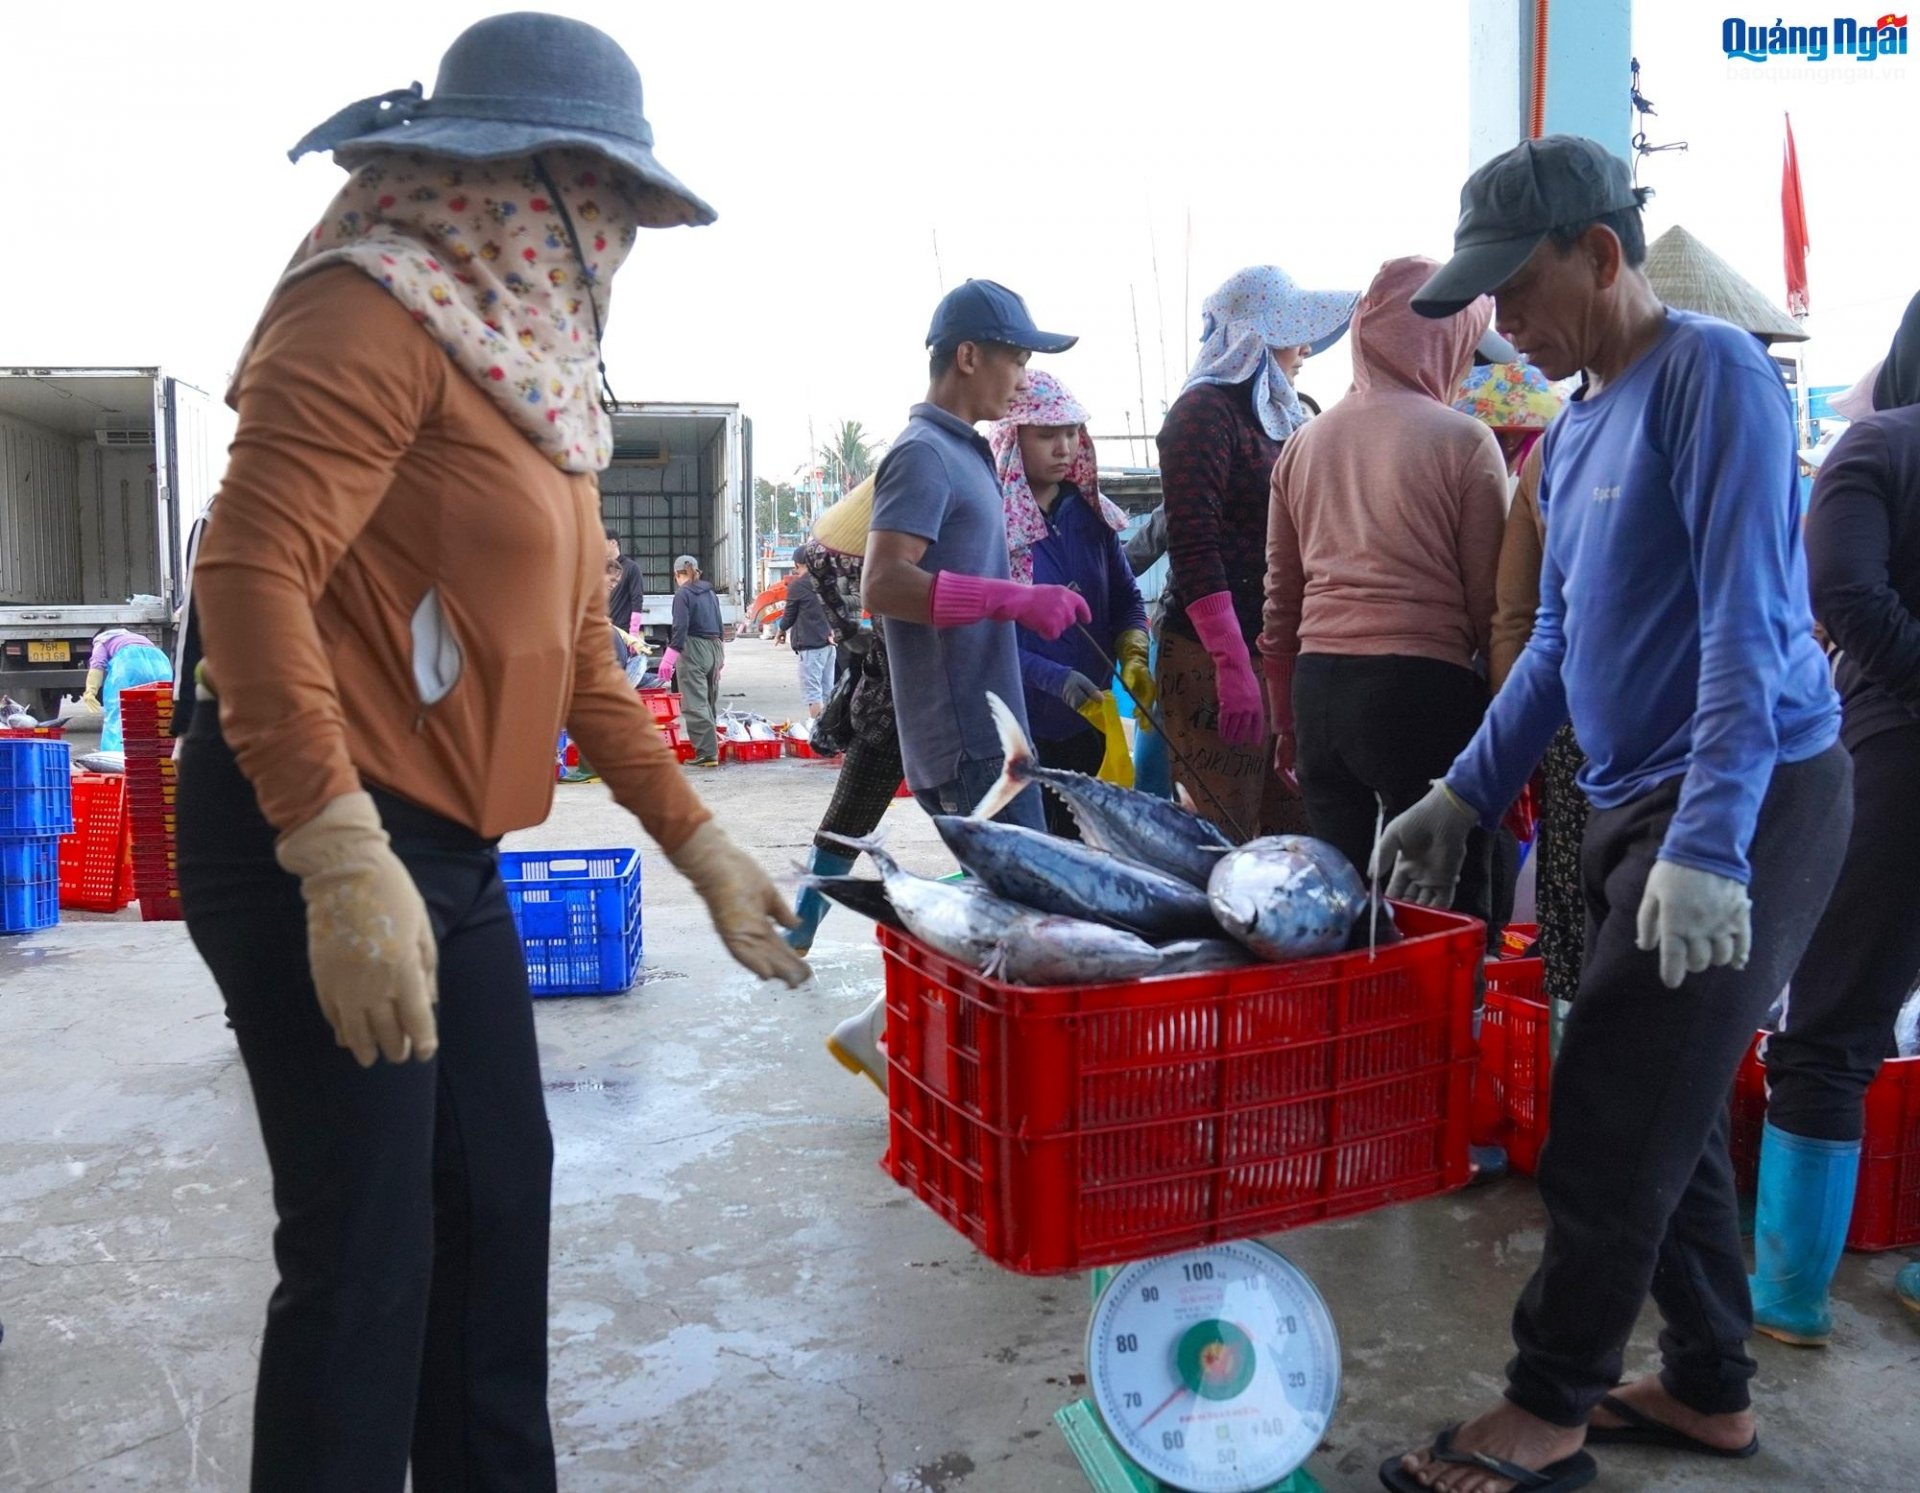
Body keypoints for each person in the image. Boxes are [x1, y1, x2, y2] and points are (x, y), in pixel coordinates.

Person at [171, 17, 807, 1491]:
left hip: (448, 858)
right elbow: (251, 573)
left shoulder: (538, 380)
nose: (614, 243)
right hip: (309, 830)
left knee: (493, 1211)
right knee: (368, 1259)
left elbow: (582, 659)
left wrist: (700, 843)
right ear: (524, 181)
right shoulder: (372, 309)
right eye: (603, 203)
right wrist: (333, 853)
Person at [1376, 135, 1848, 1493]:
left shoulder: (1718, 382)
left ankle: (1549, 1405)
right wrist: (1462, 790)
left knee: (1611, 1103)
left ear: (1600, 252)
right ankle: (1707, 1384)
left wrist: (1707, 846)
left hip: (1754, 796)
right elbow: (1558, 648)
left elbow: (1752, 633)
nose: (1503, 325)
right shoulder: (1576, 426)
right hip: (1637, 796)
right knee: (1673, 1105)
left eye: (1516, 291)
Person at [1752, 290, 1920, 1340]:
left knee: (1834, 1023)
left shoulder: (1878, 447)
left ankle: (1788, 1296)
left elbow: (1843, 593)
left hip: (1899, 756)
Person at [1261, 256, 1506, 932]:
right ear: (1444, 338)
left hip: (1319, 692)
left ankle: (1351, 1033)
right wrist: (1507, 734)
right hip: (1420, 692)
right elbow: (1494, 608)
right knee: (1440, 905)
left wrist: (1285, 719)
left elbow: (1281, 602)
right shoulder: (1465, 441)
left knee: (1340, 913)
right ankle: (1450, 1031)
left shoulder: (1303, 444)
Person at [861, 278, 1088, 828]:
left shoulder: (965, 451)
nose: (1023, 377)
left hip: (993, 735)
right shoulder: (924, 454)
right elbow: (883, 583)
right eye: (1016, 358)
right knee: (1023, 912)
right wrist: (1012, 599)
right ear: (968, 356)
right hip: (969, 745)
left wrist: (1024, 596)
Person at [1157, 266, 1357, 840]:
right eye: (1293, 333)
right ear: (1255, 339)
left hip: (1271, 649)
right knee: (1224, 833)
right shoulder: (1203, 414)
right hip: (1211, 654)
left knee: (1289, 832)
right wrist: (1230, 662)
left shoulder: (1278, 416)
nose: (1303, 349)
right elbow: (1194, 545)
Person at [991, 369, 1150, 838]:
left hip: (1090, 725)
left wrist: (1135, 650)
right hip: (1019, 732)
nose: (1064, 447)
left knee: (1089, 851)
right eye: (1046, 436)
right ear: (1013, 440)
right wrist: (1054, 679)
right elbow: (985, 638)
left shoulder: (1091, 515)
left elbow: (1126, 598)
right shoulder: (989, 528)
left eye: (1071, 433)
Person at [659, 553, 725, 767]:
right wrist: (720, 656)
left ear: (676, 575)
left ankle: (706, 754)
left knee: (694, 702)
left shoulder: (683, 595)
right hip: (714, 646)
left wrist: (669, 657)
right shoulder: (710, 593)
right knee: (708, 700)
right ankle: (711, 747)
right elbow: (719, 623)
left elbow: (680, 627)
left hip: (693, 648)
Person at [81, 626, 173, 753]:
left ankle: (114, 753)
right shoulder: (137, 637)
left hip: (129, 662)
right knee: (158, 709)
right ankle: (162, 750)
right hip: (160, 663)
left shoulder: (101, 640)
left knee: (119, 709)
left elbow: (97, 664)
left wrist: (90, 691)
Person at [777, 547, 836, 720]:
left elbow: (789, 614)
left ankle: (818, 736)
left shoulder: (799, 585)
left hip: (811, 647)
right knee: (828, 692)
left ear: (796, 564)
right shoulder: (827, 581)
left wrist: (781, 630)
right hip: (829, 645)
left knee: (813, 694)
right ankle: (829, 734)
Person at [605, 526, 645, 636]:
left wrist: (633, 632)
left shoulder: (632, 568)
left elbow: (637, 600)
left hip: (623, 631)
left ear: (613, 543)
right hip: (603, 629)